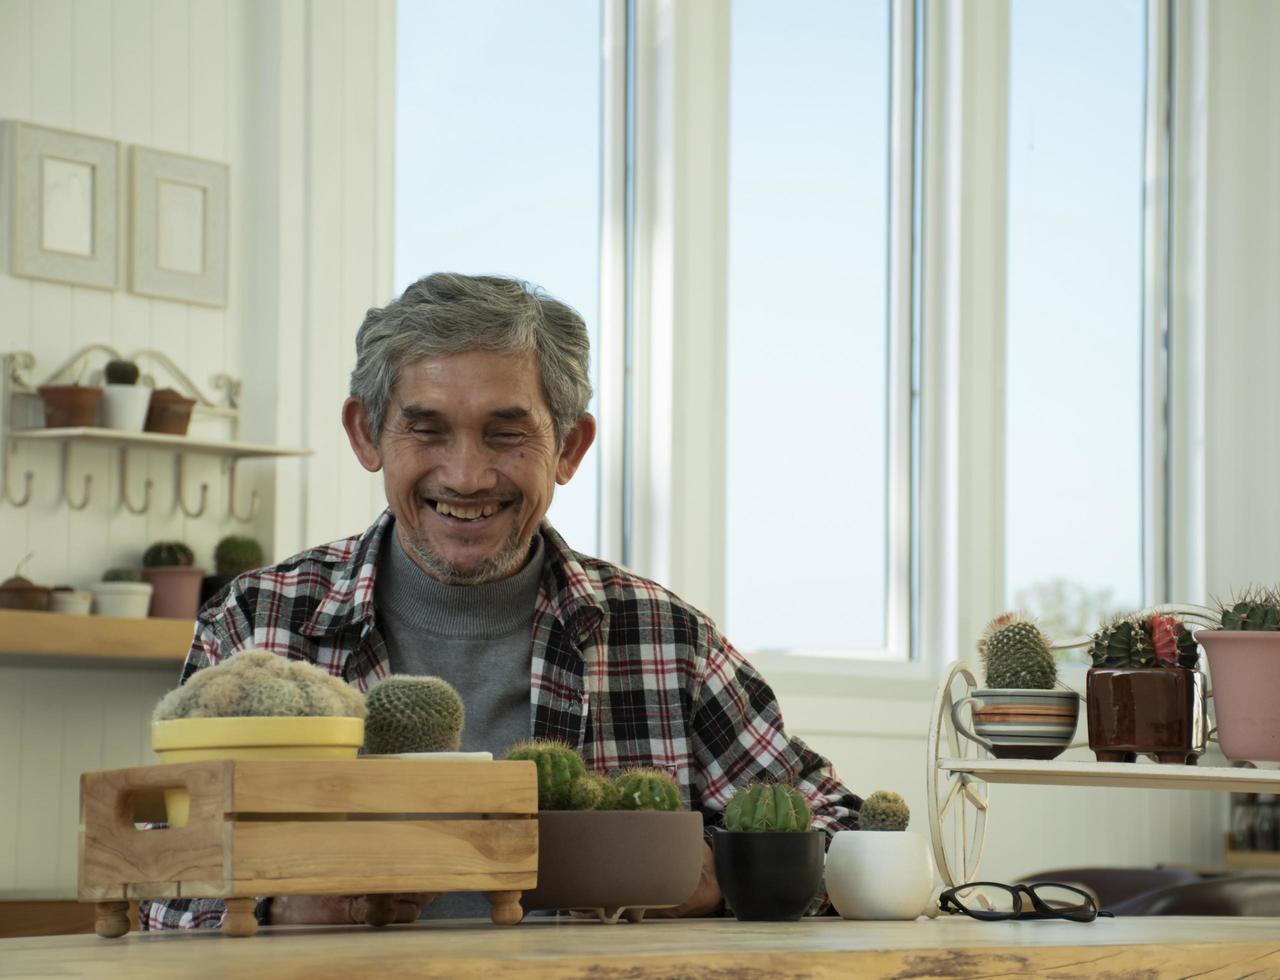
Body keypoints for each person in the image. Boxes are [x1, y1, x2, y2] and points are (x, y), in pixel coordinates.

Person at [141, 273, 861, 929]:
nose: (466, 474)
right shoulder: (258, 622)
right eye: (427, 430)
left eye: (506, 434)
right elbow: (155, 876)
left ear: (570, 448)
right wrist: (277, 905)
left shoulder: (669, 641)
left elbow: (841, 832)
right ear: (366, 434)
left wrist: (715, 879)